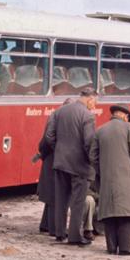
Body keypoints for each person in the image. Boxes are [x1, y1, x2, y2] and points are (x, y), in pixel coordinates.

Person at [45, 88, 98, 246]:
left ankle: (59, 233)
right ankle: (75, 236)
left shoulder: (59, 111)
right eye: (95, 102)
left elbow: (49, 136)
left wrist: (59, 150)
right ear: (89, 99)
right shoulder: (87, 116)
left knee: (61, 199)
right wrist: (92, 161)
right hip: (80, 165)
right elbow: (89, 142)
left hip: (60, 162)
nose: (94, 105)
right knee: (77, 201)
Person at [90, 104, 130, 256]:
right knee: (126, 212)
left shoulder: (100, 130)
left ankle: (111, 247)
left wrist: (101, 171)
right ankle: (125, 248)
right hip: (126, 176)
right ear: (125, 116)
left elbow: (93, 156)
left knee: (109, 212)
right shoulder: (128, 128)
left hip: (106, 177)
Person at [35, 98, 72, 235]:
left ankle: (45, 224)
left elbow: (46, 140)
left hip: (50, 157)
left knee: (51, 192)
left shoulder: (55, 115)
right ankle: (54, 228)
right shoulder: (58, 117)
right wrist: (59, 149)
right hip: (55, 158)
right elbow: (49, 137)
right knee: (56, 194)